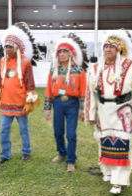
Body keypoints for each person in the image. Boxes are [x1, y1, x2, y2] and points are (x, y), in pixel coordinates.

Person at [85, 30, 132, 194]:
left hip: (123, 111)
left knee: (121, 143)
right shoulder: (96, 68)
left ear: (119, 49)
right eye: (105, 46)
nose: (107, 49)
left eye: (111, 46)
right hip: (103, 111)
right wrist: (90, 114)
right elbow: (91, 93)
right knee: (104, 141)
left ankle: (117, 182)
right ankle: (107, 171)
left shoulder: (130, 67)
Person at [0, 22, 40, 165]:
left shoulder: (26, 63)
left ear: (17, 46)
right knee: (4, 131)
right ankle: (5, 154)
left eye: (10, 46)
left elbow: (30, 85)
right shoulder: (2, 62)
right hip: (6, 104)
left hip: (21, 104)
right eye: (6, 46)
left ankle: (26, 150)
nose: (7, 49)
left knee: (24, 130)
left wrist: (29, 102)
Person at [44, 33, 89, 173]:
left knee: (71, 134)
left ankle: (71, 160)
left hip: (72, 104)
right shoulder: (53, 71)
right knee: (58, 132)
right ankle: (62, 152)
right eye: (60, 52)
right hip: (57, 103)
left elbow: (83, 91)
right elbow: (49, 90)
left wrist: (83, 109)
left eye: (65, 51)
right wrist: (47, 108)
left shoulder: (79, 71)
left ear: (71, 54)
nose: (62, 54)